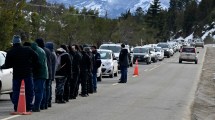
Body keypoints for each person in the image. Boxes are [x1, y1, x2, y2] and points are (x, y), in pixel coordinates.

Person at [0, 35, 39, 112]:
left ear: (13, 43)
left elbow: (8, 65)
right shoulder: (27, 49)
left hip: (17, 75)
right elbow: (36, 57)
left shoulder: (10, 52)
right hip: (27, 73)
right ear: (20, 41)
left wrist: (2, 67)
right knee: (29, 91)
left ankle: (17, 106)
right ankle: (28, 106)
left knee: (16, 91)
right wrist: (32, 65)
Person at [31, 42, 48, 112]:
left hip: (40, 74)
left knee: (39, 90)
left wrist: (31, 68)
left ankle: (37, 106)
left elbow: (39, 64)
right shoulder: (39, 50)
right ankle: (42, 105)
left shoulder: (38, 51)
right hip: (42, 73)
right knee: (41, 90)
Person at [35, 38, 52, 110]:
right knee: (47, 88)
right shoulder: (48, 50)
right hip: (48, 71)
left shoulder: (39, 51)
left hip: (42, 72)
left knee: (42, 89)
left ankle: (41, 104)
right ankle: (46, 104)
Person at [45, 42, 57, 107]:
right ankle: (48, 102)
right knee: (49, 87)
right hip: (51, 73)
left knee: (48, 88)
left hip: (49, 73)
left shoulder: (50, 54)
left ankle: (48, 101)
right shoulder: (53, 53)